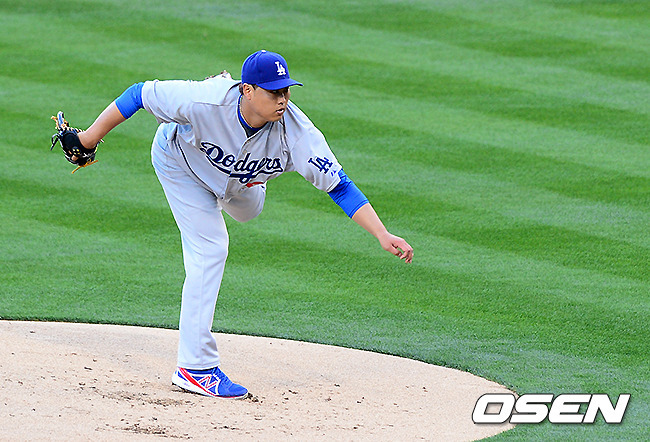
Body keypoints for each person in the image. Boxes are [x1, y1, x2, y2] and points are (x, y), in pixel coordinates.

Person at [75, 50, 414, 399]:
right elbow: (138, 94)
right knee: (211, 248)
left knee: (249, 210)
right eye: (273, 92)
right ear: (246, 90)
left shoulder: (298, 134)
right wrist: (88, 139)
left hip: (243, 186)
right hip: (181, 165)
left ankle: (246, 181)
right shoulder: (203, 100)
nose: (282, 100)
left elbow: (339, 186)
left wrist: (381, 233)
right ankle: (195, 368)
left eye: (286, 91)